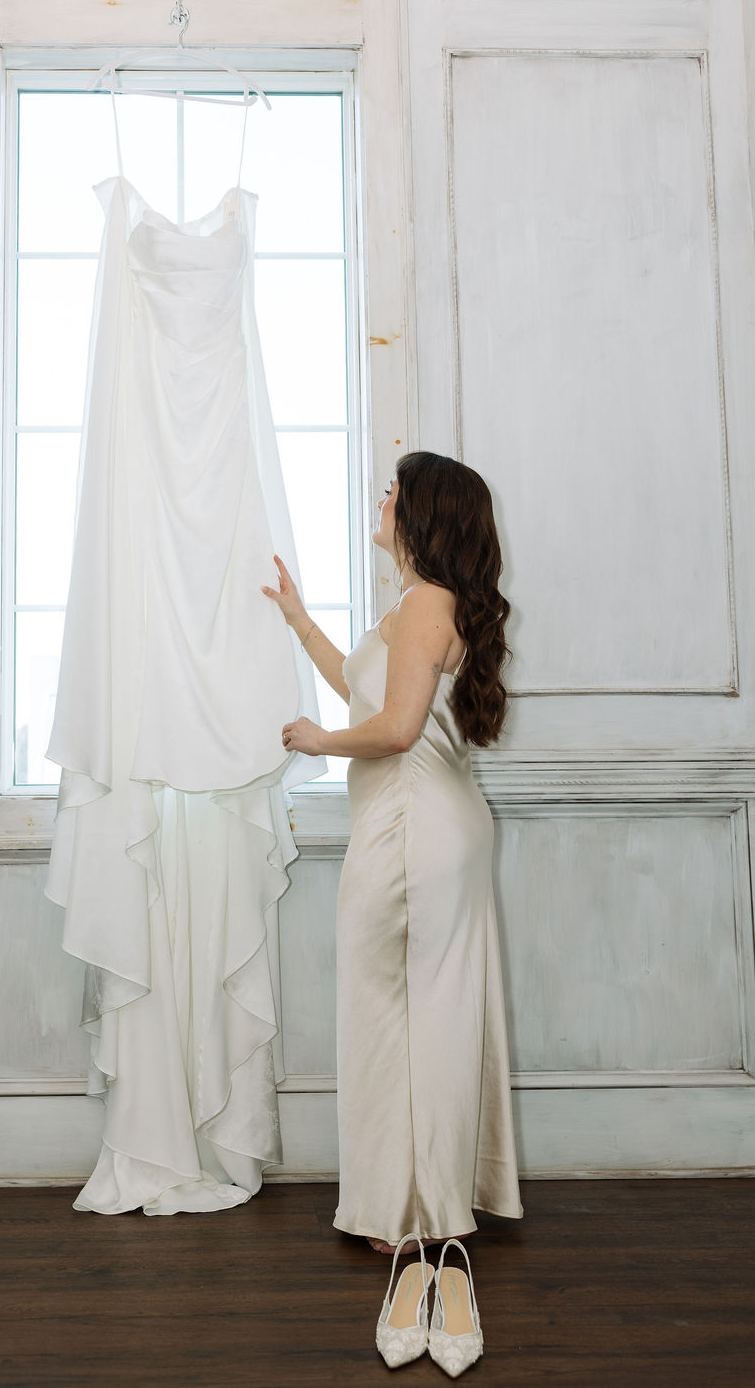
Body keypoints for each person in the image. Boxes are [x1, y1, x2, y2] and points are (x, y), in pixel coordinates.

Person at [262, 450, 523, 1257]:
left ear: (423, 512)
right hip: (423, 825)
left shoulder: (425, 605)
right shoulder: (419, 603)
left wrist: (319, 741)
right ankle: (420, 1200)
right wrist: (302, 622)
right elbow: (365, 685)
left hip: (416, 830)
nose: (381, 499)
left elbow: (397, 728)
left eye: (392, 490)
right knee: (410, 1012)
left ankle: (415, 1210)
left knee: (399, 1017)